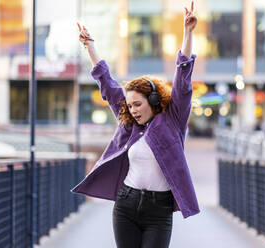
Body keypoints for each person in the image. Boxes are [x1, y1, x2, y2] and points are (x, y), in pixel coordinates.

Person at [72, 1, 199, 247]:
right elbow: (107, 85)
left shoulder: (172, 119)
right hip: (126, 205)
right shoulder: (129, 123)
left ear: (153, 100)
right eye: (129, 106)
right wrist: (90, 47)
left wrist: (188, 33)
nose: (132, 110)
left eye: (137, 105)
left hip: (159, 211)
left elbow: (183, 79)